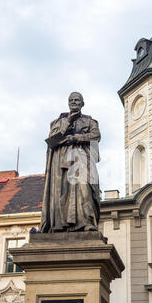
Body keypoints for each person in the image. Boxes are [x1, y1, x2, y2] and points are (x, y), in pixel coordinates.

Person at [40, 92, 101, 233]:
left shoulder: (90, 121)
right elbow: (52, 140)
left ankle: (86, 222)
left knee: (84, 189)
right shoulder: (58, 122)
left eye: (77, 100)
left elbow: (96, 135)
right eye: (71, 100)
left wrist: (76, 138)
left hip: (82, 158)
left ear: (82, 103)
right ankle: (60, 225)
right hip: (60, 162)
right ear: (68, 103)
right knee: (62, 192)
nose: (74, 102)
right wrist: (67, 123)